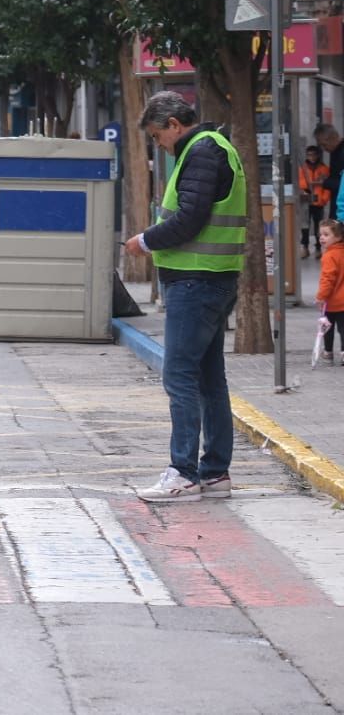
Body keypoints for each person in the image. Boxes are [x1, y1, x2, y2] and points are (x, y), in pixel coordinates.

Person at [124, 90, 244, 503]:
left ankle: (183, 472)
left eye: (159, 136)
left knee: (179, 376)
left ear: (175, 124)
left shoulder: (202, 151)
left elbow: (189, 217)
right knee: (210, 378)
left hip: (197, 281)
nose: (159, 145)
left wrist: (146, 240)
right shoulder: (214, 147)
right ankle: (214, 473)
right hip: (213, 278)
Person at [316, 219, 344, 366]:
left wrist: (321, 297)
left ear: (338, 237)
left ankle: (328, 352)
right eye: (320, 234)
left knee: (326, 327)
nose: (321, 237)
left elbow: (328, 278)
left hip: (332, 302)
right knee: (343, 329)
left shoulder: (329, 256)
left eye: (326, 234)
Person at [298, 145, 331, 257]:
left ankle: (318, 247)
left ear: (318, 155)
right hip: (305, 200)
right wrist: (303, 190)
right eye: (309, 155)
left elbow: (328, 187)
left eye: (313, 154)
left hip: (319, 202)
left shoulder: (324, 169)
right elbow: (300, 183)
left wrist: (324, 199)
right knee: (304, 225)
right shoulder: (302, 169)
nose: (311, 157)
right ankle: (305, 247)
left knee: (318, 226)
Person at [314, 124, 343, 219]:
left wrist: (325, 182)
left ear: (333, 137)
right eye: (320, 145)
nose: (323, 148)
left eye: (324, 144)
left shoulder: (341, 153)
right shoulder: (335, 152)